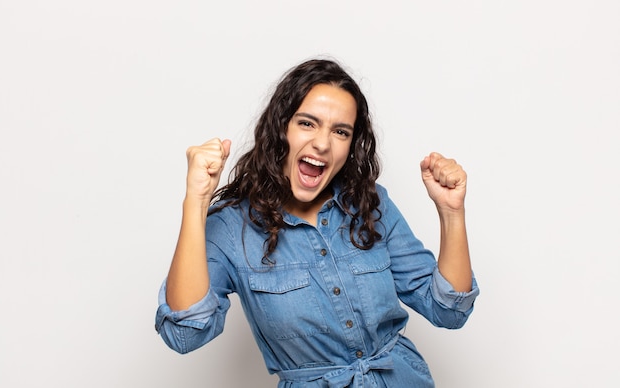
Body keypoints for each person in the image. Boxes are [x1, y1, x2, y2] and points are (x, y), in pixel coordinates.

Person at [155, 58, 479, 387]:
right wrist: (195, 202)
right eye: (307, 123)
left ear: (351, 145)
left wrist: (451, 213)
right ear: (281, 127)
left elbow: (449, 311)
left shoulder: (371, 204)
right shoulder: (231, 225)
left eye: (340, 131)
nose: (323, 143)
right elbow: (184, 334)